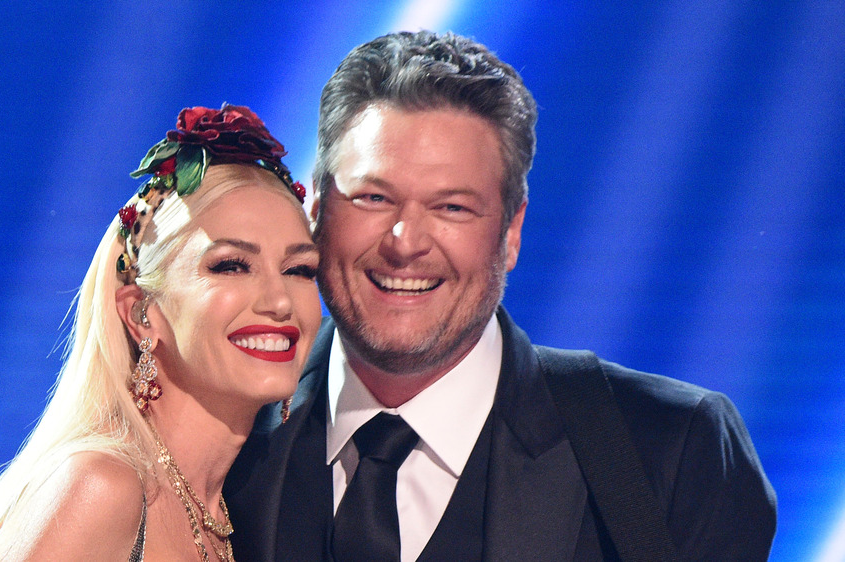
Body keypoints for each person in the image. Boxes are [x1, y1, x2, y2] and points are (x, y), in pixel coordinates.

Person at [224, 31, 777, 561]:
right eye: (372, 197)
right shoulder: (219, 427)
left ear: (511, 232)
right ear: (316, 210)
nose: (405, 244)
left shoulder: (671, 450)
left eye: (452, 207)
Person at [0, 105, 322, 561]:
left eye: (298, 269)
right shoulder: (103, 487)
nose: (279, 301)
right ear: (141, 314)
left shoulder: (230, 512)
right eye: (232, 265)